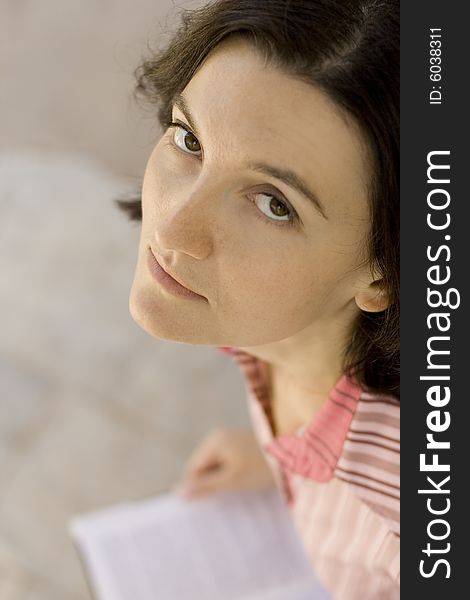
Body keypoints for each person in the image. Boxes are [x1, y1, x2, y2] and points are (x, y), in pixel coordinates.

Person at [117, 0, 399, 597]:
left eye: (275, 203)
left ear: (385, 275)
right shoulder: (273, 326)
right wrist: (281, 467)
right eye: (189, 140)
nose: (172, 230)